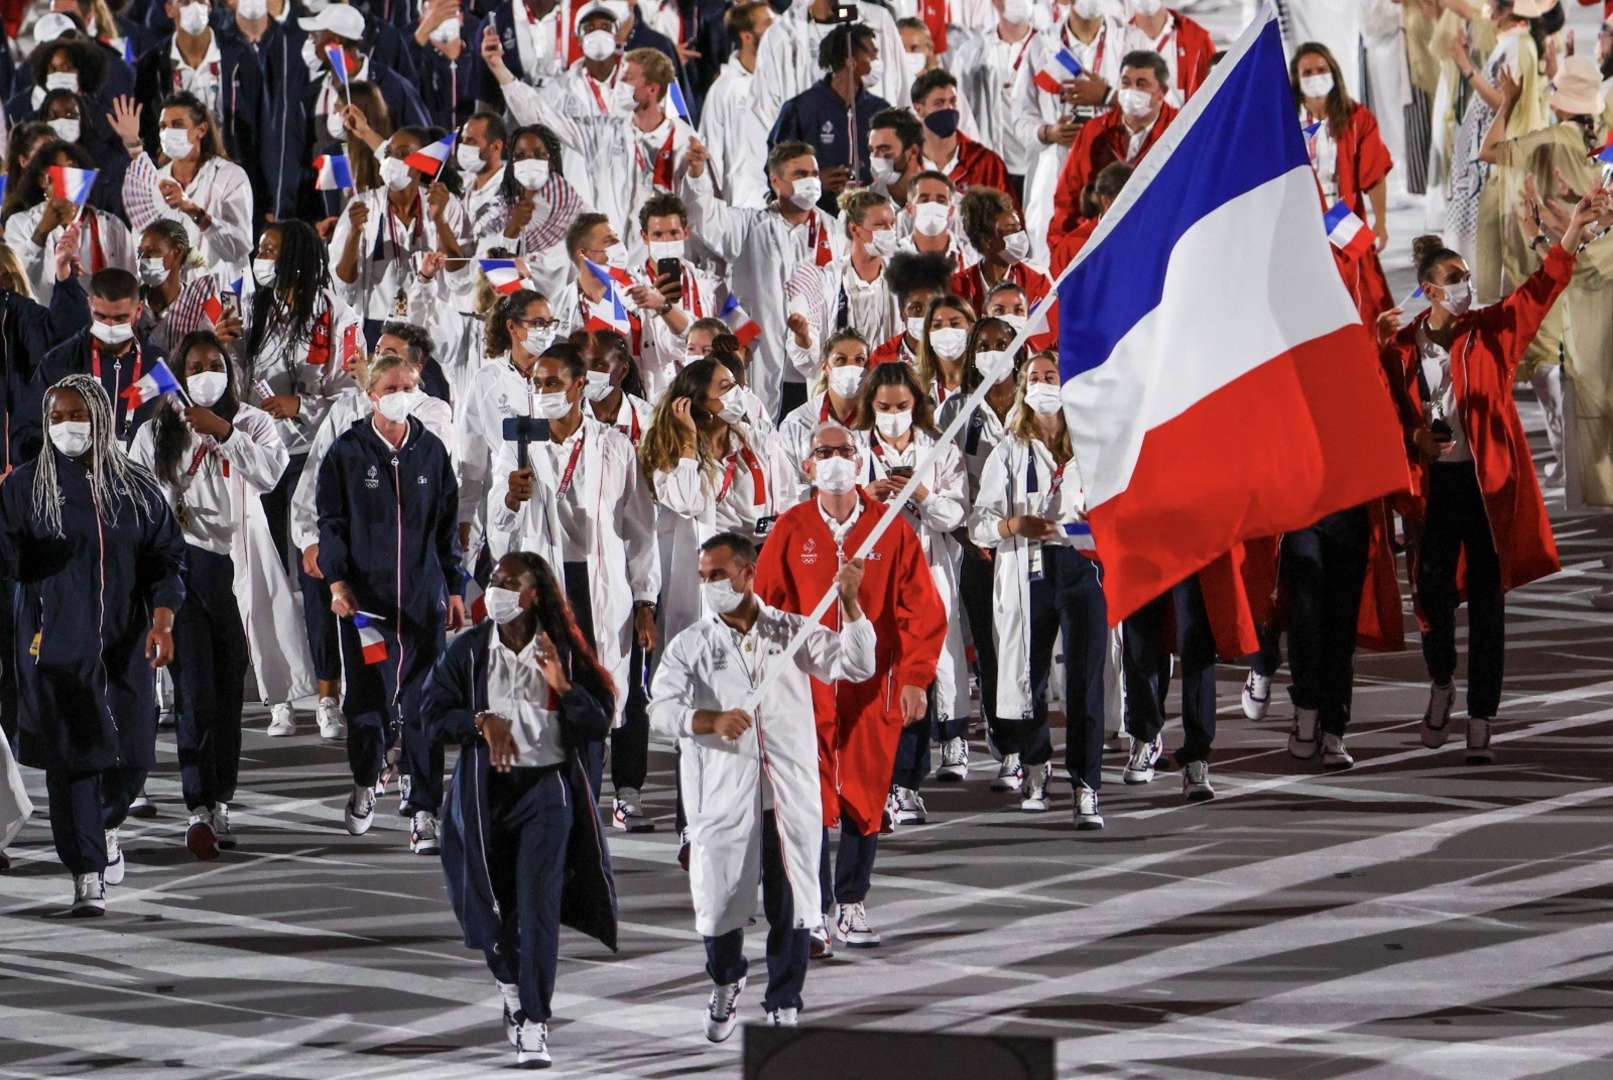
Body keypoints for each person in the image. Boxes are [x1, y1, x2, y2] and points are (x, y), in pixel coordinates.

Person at [1379, 197, 1605, 763]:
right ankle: (1441, 681)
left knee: (1487, 605)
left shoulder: (1492, 333)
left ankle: (1481, 718)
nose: (1465, 286)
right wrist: (1417, 441)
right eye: (1454, 280)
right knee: (1431, 599)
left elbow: (1541, 290)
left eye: (1466, 278)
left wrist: (1572, 231)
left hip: (1486, 491)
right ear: (1429, 291)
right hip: (1434, 493)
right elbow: (1386, 416)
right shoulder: (1402, 350)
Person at [650, 532, 875, 1036]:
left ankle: (784, 1001)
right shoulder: (692, 644)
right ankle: (727, 979)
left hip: (787, 796)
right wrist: (707, 720)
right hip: (723, 797)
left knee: (792, 904)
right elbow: (659, 709)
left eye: (718, 575)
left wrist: (851, 603)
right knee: (720, 903)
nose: (709, 585)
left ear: (748, 573)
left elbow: (859, 664)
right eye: (703, 576)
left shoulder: (791, 633)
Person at [420, 550, 618, 1070]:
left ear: (533, 595)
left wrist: (563, 686)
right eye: (493, 580)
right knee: (484, 911)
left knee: (537, 911)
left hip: (545, 794)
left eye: (509, 582)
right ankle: (508, 980)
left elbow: (600, 721)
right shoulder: (469, 651)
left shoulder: (564, 650)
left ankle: (535, 1021)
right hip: (484, 796)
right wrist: (480, 720)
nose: (497, 589)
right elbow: (429, 713)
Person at [753, 421, 945, 952]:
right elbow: (765, 609)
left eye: (844, 450)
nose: (834, 459)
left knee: (865, 792)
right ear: (808, 465)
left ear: (859, 462)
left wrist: (914, 679)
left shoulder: (890, 530)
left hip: (871, 687)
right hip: (806, 688)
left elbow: (920, 611)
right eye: (823, 451)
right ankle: (811, 909)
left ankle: (851, 902)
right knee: (804, 795)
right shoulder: (790, 529)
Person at [0, 374, 185, 915]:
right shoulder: (25, 486)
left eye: (75, 415)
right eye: (55, 417)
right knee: (73, 762)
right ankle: (86, 873)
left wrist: (164, 620)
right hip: (55, 646)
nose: (65, 427)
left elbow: (167, 558)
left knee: (132, 760)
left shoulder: (137, 486)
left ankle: (103, 827)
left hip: (126, 646)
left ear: (100, 416)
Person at [129, 330, 287, 857]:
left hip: (234, 567)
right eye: (193, 364)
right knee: (195, 690)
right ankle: (198, 807)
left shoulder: (252, 422)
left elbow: (271, 473)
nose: (204, 372)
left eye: (213, 363)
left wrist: (222, 431)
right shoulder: (158, 430)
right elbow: (138, 497)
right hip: (182, 568)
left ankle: (221, 798)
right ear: (179, 370)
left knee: (227, 690)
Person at [486, 342, 660, 800]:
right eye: (537, 383)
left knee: (602, 691)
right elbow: (497, 525)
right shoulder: (519, 444)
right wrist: (509, 497)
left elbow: (641, 530)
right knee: (547, 693)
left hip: (601, 587)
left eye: (553, 383)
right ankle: (563, 795)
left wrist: (646, 601)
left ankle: (613, 790)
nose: (543, 391)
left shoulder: (616, 446)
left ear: (580, 385)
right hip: (546, 588)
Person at [315, 352, 466, 850]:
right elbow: (331, 524)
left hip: (422, 605)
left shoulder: (432, 453)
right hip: (367, 611)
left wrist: (456, 589)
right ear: (372, 395)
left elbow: (447, 530)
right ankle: (365, 779)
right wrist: (338, 584)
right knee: (368, 706)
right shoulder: (347, 452)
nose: (402, 395)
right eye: (392, 387)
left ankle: (424, 811)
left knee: (424, 706)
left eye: (410, 386)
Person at [969, 354, 1107, 825]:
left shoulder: (1091, 447)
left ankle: (1086, 783)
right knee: (1027, 675)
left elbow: (1115, 516)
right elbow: (978, 525)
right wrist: (1013, 523)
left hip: (1082, 567)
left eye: (1052, 377)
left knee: (1086, 678)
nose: (1043, 384)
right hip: (1029, 568)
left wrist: (1086, 527)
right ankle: (1035, 764)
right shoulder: (1009, 450)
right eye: (1035, 378)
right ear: (1024, 388)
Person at [242, 219, 359, 738]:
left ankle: (329, 693)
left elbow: (354, 392)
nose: (260, 258)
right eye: (259, 250)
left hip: (314, 456)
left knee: (316, 574)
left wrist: (301, 404)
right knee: (266, 578)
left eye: (270, 250)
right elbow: (233, 389)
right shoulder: (252, 310)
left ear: (295, 255)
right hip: (263, 459)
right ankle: (280, 695)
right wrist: (228, 349)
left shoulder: (336, 314)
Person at [851, 362, 968, 823]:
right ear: (870, 407)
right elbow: (826, 507)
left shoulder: (939, 451)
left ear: (917, 404)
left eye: (902, 406)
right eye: (884, 408)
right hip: (870, 576)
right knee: (869, 674)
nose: (894, 415)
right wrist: (865, 496)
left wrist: (922, 495)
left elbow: (955, 516)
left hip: (924, 568)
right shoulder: (855, 450)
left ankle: (905, 784)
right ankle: (868, 778)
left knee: (916, 673)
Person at [680, 138, 845, 418]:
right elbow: (705, 217)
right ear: (776, 181)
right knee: (761, 427)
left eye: (814, 174)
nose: (811, 182)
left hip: (814, 358)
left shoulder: (835, 230)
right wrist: (697, 175)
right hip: (762, 352)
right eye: (800, 174)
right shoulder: (749, 226)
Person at [638, 357, 793, 642]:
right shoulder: (670, 452)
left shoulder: (754, 439)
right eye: (725, 387)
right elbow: (688, 502)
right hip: (709, 572)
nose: (736, 393)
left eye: (734, 384)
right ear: (696, 402)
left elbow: (788, 492)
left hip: (757, 562)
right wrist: (687, 439)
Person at [1292, 42, 1394, 337]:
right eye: (1307, 72)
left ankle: (1372, 362)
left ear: (1334, 73)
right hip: (1301, 222)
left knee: (1366, 294)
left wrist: (1381, 222)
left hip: (1343, 216)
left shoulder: (1355, 117)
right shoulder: (1283, 120)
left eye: (1321, 70)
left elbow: (1374, 173)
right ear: (1296, 79)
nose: (1315, 76)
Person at [110, 92, 255, 275]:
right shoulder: (155, 183)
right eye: (163, 126)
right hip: (175, 299)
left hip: (223, 295)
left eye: (177, 125)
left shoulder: (230, 176)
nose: (168, 132)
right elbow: (140, 252)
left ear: (201, 130)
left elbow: (238, 249)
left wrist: (194, 211)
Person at [1047, 49, 1177, 249]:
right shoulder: (1095, 130)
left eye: (1141, 84)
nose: (1131, 90)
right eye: (1125, 83)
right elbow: (1068, 197)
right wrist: (1061, 248)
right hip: (1099, 244)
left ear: (1163, 92)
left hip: (1157, 244)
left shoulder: (1180, 131)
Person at [37, 267, 167, 449]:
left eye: (120, 318)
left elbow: (177, 430)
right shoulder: (59, 363)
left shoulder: (160, 367)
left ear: (138, 311)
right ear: (90, 307)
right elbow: (32, 431)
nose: (110, 326)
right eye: (101, 316)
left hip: (142, 473)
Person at [768, 23, 889, 216]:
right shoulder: (801, 109)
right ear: (851, 61)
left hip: (868, 220)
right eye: (872, 54)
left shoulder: (880, 110)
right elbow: (775, 169)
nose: (877, 61)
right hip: (816, 218)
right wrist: (813, 181)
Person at [3, 138, 136, 305]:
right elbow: (19, 282)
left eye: (74, 168)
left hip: (98, 324)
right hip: (45, 323)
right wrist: (41, 232)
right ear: (44, 180)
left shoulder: (111, 225)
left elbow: (131, 281)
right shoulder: (19, 224)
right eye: (63, 169)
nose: (72, 176)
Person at [698, 1, 775, 210]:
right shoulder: (723, 90)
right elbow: (710, 156)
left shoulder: (786, 80)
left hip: (787, 205)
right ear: (747, 36)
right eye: (768, 24)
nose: (777, 29)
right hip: (744, 207)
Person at [779, 330, 872, 497]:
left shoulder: (880, 419)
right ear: (825, 367)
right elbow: (785, 489)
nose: (851, 368)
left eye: (859, 360)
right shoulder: (797, 423)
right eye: (840, 360)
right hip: (813, 517)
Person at [911, 68, 1013, 202]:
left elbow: (1010, 218)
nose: (949, 108)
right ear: (919, 109)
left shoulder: (986, 163)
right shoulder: (905, 163)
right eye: (939, 103)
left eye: (952, 101)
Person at [822, 190, 901, 349]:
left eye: (892, 224)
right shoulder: (830, 278)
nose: (889, 232)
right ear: (854, 229)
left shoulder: (902, 278)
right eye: (880, 225)